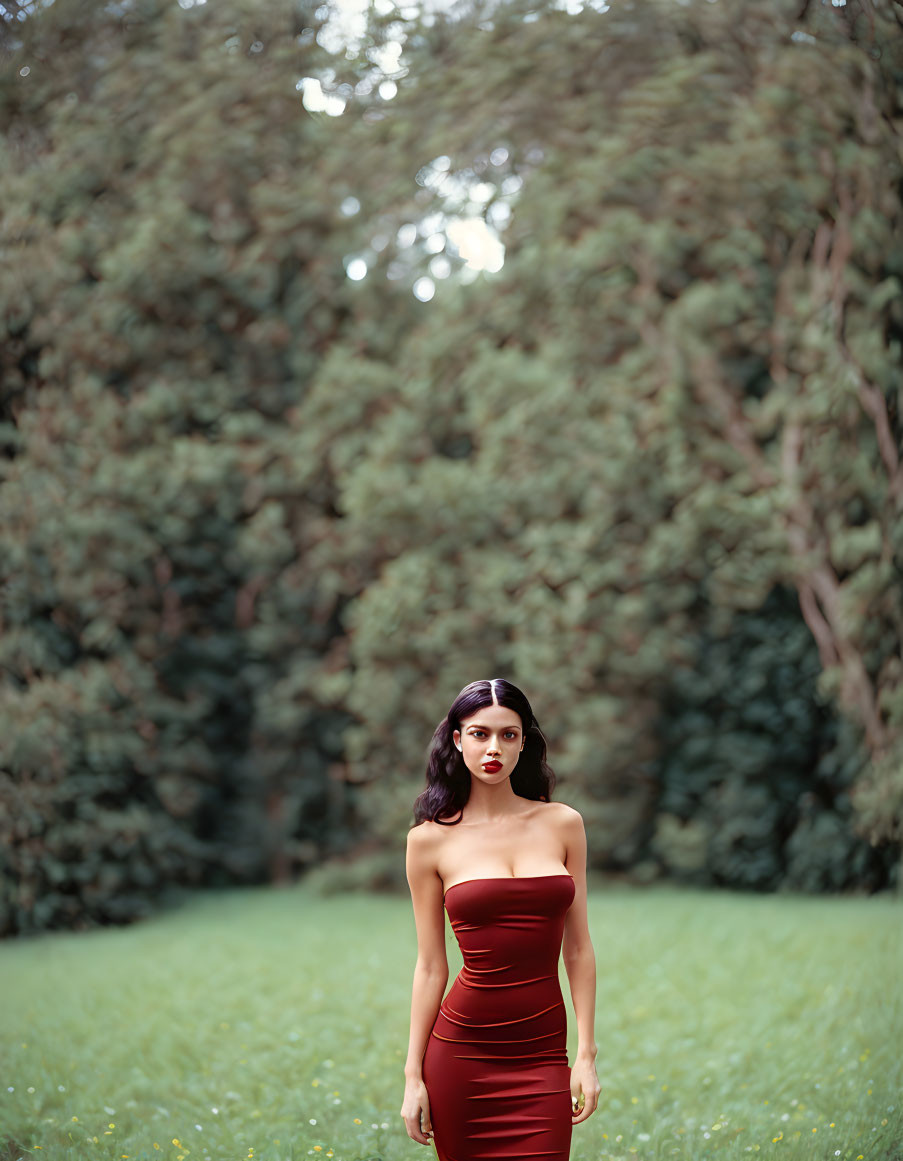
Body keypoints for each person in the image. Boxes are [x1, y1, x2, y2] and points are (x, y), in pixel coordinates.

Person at [400, 677, 601, 1161]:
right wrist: (411, 1077)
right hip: (462, 1055)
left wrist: (587, 1055)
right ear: (457, 739)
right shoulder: (429, 841)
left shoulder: (563, 824)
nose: (494, 748)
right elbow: (431, 966)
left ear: (524, 743)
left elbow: (578, 949)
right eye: (479, 734)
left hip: (542, 1054)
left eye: (508, 735)